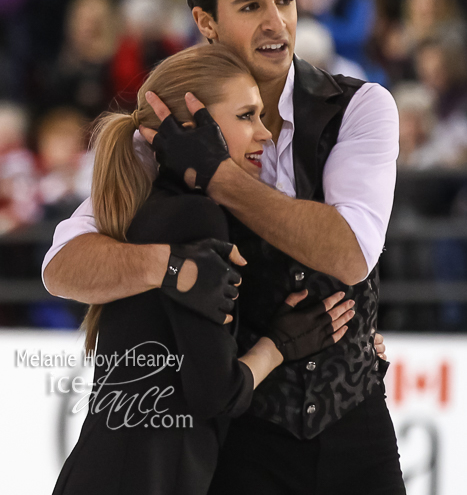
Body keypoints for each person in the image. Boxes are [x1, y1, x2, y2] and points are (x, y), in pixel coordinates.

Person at [43, 0, 400, 494]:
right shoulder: (162, 134)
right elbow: (63, 268)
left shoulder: (359, 107)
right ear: (205, 22)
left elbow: (351, 255)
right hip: (238, 440)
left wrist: (217, 175)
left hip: (355, 430)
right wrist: (170, 268)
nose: (276, 22)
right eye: (251, 5)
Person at [51, 44, 355, 495]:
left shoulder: (148, 206)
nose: (266, 135)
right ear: (194, 125)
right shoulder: (196, 217)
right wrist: (280, 343)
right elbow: (218, 394)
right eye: (246, 116)